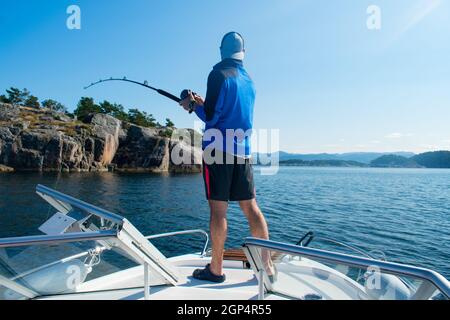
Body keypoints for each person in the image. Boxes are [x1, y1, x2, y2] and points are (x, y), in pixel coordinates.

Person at [179, 32, 270, 283]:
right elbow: (225, 110)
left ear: (221, 50)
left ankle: (216, 270)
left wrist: (192, 105)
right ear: (243, 52)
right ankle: (267, 269)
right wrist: (202, 103)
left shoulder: (218, 74)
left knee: (218, 210)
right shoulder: (249, 81)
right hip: (243, 152)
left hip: (218, 151)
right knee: (250, 207)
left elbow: (211, 117)